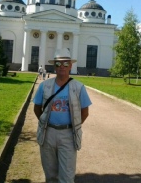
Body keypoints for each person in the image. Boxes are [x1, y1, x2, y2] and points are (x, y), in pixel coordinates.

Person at [33, 48, 92, 183]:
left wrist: (73, 126)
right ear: (54, 66)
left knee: (66, 177)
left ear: (71, 65)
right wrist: (45, 123)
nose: (62, 67)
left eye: (66, 63)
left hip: (68, 135)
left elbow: (85, 112)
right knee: (50, 175)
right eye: (58, 64)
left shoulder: (78, 87)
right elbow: (37, 108)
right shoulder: (45, 86)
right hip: (48, 134)